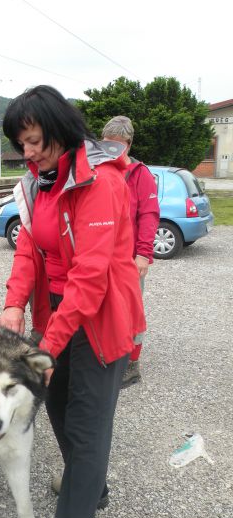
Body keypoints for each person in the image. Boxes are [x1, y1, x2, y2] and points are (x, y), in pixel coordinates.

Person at [0, 86, 145, 518]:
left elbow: (90, 278)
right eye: (22, 143)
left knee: (87, 425)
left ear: (60, 130)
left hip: (99, 320)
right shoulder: (40, 181)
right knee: (56, 404)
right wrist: (15, 302)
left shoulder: (99, 183)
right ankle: (92, 486)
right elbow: (28, 250)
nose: (29, 153)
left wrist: (48, 346)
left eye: (36, 140)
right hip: (57, 313)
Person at [101, 116, 160, 388]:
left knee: (132, 311)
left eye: (118, 146)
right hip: (102, 257)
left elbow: (149, 215)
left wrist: (143, 254)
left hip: (129, 259)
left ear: (128, 144)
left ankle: (132, 365)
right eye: (107, 144)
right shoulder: (96, 169)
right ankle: (108, 354)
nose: (112, 151)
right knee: (104, 307)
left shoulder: (140, 174)